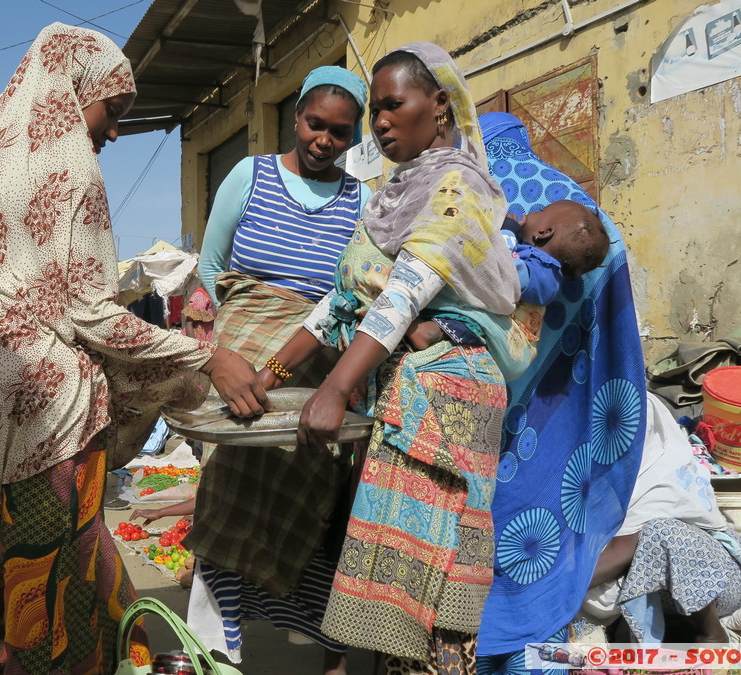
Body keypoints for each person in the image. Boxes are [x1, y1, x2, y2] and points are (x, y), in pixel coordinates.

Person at [0, 23, 268, 674]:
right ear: (74, 86)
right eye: (113, 111)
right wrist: (207, 357)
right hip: (42, 413)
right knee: (49, 588)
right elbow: (91, 314)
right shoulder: (66, 160)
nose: (114, 133)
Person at [260, 43, 534, 673]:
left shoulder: (457, 187)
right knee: (398, 600)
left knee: (431, 594)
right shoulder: (392, 195)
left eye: (393, 105)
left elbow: (405, 293)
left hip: (447, 400)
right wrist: (268, 374)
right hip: (406, 394)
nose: (380, 123)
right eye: (375, 112)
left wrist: (334, 389)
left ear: (438, 105)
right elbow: (343, 301)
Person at [185, 65, 371, 675]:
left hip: (315, 366)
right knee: (228, 489)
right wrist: (238, 342)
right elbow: (212, 268)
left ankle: (318, 640)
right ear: (296, 117)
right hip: (244, 365)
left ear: (354, 136)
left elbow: (353, 293)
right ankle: (218, 647)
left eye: (339, 132)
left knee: (312, 491)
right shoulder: (250, 175)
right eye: (315, 124)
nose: (324, 140)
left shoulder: (362, 201)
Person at [473, 113, 648, 674]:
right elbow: (617, 347)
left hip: (464, 410)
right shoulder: (589, 214)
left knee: (463, 557)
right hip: (555, 427)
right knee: (539, 544)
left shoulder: (473, 194)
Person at [579, 393, 741, 644]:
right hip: (665, 588)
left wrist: (552, 589)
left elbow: (620, 552)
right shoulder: (601, 471)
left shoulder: (660, 474)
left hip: (720, 585)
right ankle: (666, 628)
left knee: (661, 532)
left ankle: (711, 633)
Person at [408, 201, 610, 351]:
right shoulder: (531, 258)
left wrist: (507, 232)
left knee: (476, 322)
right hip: (481, 303)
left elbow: (504, 272)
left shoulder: (546, 275)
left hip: (491, 321)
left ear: (544, 232)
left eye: (541, 211)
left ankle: (432, 331)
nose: (532, 211)